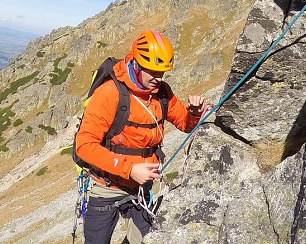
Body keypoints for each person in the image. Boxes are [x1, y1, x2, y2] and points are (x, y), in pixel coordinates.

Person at [74, 30, 209, 244]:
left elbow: (185, 124)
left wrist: (194, 112)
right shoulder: (110, 94)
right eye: (153, 72)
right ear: (136, 64)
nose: (158, 78)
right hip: (106, 186)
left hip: (144, 187)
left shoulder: (162, 93)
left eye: (162, 73)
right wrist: (129, 169)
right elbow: (84, 145)